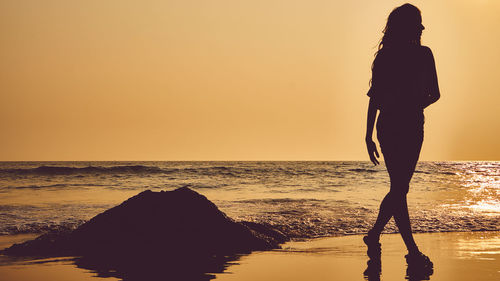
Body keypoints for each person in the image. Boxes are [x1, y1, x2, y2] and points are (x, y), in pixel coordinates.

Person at [363, 3, 440, 270]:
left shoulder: (423, 54)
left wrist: (414, 103)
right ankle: (413, 252)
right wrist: (367, 135)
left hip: (411, 125)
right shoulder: (386, 57)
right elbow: (374, 97)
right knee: (400, 187)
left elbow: (435, 93)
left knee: (400, 187)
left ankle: (374, 235)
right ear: (407, 25)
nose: (421, 27)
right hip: (392, 127)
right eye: (418, 22)